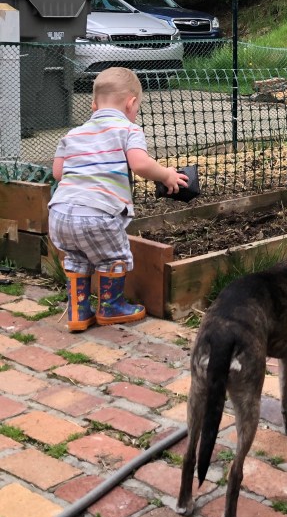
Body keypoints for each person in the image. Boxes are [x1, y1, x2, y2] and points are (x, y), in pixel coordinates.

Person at [48, 66, 188, 331]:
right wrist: (166, 174)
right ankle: (111, 307)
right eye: (137, 109)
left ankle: (78, 312)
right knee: (114, 257)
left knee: (77, 259)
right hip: (97, 214)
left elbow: (58, 173)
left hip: (60, 214)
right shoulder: (128, 129)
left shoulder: (72, 134)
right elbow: (140, 164)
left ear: (93, 105)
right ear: (131, 103)